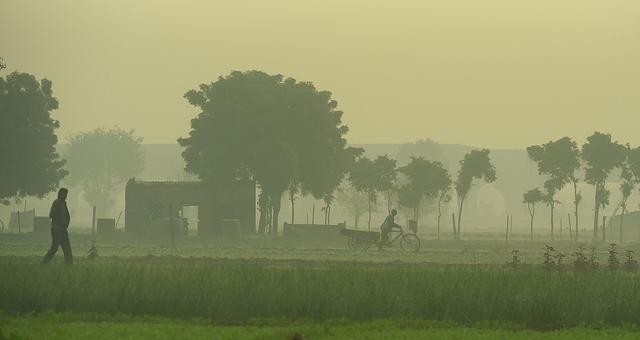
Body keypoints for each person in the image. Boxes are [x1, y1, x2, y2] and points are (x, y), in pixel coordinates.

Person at [42, 188, 73, 265]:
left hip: (63, 229)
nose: (65, 196)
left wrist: (66, 223)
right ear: (60, 194)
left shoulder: (63, 203)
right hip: (56, 230)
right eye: (64, 194)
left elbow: (66, 215)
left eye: (66, 194)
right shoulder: (56, 203)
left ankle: (69, 265)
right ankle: (44, 262)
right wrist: (60, 222)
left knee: (67, 248)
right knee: (54, 248)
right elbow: (52, 214)